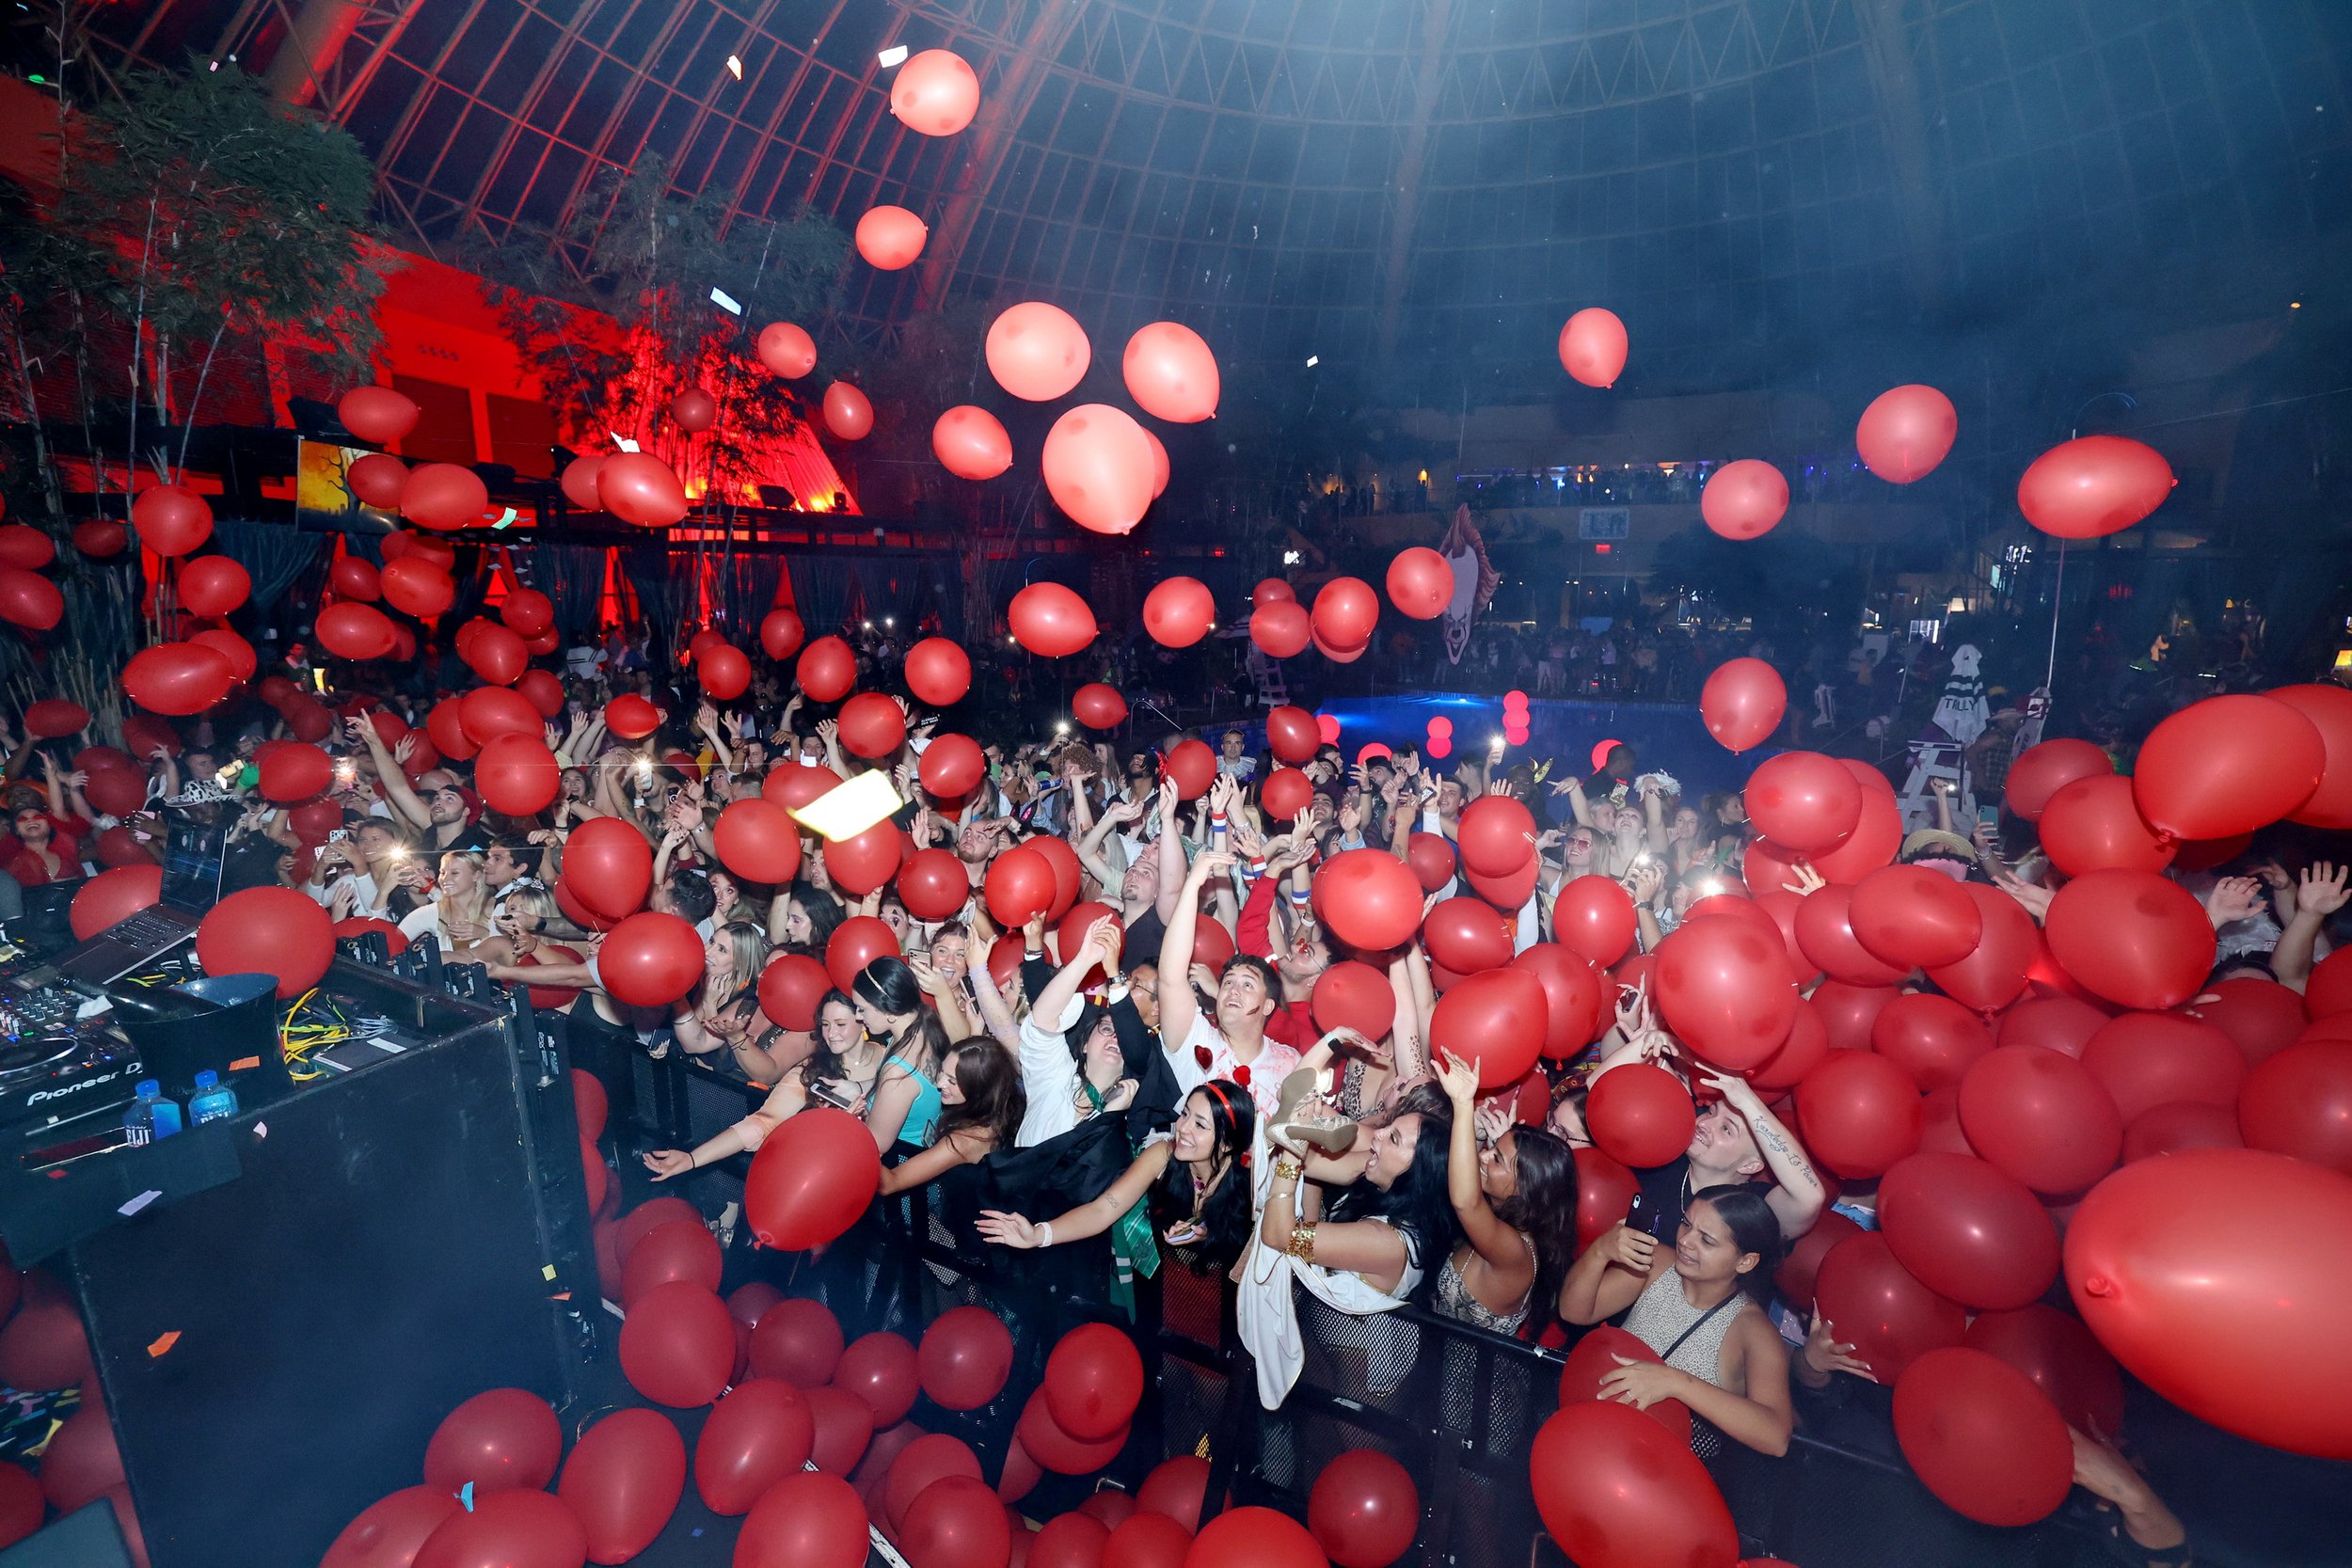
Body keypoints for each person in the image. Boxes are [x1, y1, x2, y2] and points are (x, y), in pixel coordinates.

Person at [1559, 1184, 1795, 1459]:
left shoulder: (1753, 1329)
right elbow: (1573, 1312)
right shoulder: (1657, 1263)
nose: (1686, 1240)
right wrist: (1600, 1252)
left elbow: (1776, 1437)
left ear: (1745, 1262)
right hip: (1596, 1434)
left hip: (1667, 1471)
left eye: (1706, 1240)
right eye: (1686, 1223)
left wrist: (1676, 1382)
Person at [1432, 1053, 1577, 1337]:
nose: (1484, 1157)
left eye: (1497, 1158)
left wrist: (1463, 1104)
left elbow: (1465, 1200)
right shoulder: (1496, 1220)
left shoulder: (1518, 1253)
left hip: (1459, 1380)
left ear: (1526, 1188)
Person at [1156, 848, 1299, 1121]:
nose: (1233, 989)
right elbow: (1171, 977)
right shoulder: (1195, 1040)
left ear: (1268, 1005)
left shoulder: (1289, 1062)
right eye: (1228, 982)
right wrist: (1192, 886)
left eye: (1247, 985)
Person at [874, 1038, 1025, 1196]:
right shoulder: (1007, 1102)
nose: (940, 1084)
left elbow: (890, 1184)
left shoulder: (963, 1141)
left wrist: (857, 1139)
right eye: (942, 1072)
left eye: (952, 1081)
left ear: (979, 1086)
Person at [396, 849, 495, 955]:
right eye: (442, 872)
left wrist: (485, 935)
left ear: (476, 875)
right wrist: (385, 889)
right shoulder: (432, 912)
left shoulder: (497, 908)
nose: (444, 878)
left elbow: (510, 955)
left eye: (454, 873)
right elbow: (391, 941)